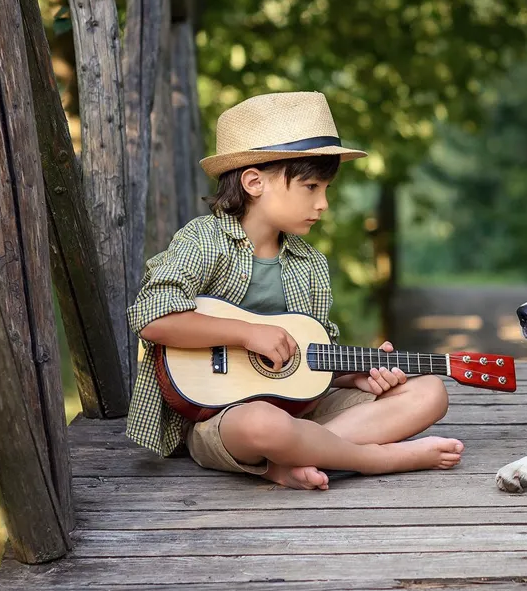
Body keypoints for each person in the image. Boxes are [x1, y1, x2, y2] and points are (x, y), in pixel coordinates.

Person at [125, 91, 463, 489]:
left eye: (327, 190)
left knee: (429, 392)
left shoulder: (309, 264)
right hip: (220, 418)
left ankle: (290, 462)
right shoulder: (203, 240)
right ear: (253, 182)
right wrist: (248, 333)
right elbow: (153, 317)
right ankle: (374, 459)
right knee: (264, 424)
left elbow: (301, 362)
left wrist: (347, 378)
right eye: (311, 187)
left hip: (301, 412)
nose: (322, 204)